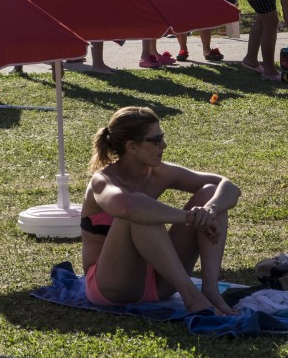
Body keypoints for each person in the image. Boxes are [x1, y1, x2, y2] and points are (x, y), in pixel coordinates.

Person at [81, 106, 240, 314]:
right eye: (156, 140)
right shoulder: (102, 181)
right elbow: (126, 206)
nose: (163, 145)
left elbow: (228, 186)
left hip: (159, 284)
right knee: (140, 212)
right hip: (113, 288)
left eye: (162, 137)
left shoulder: (158, 172)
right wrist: (189, 217)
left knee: (211, 193)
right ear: (132, 146)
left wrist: (209, 210)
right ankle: (193, 298)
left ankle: (210, 290)